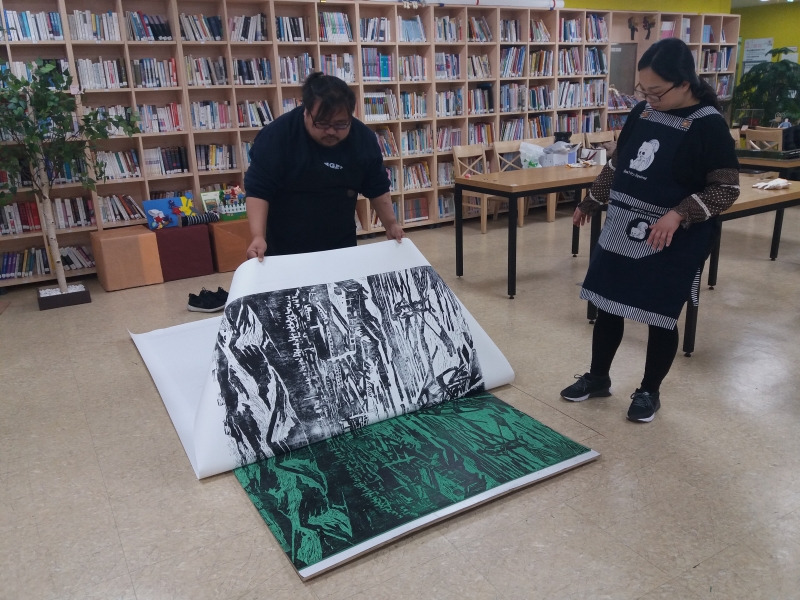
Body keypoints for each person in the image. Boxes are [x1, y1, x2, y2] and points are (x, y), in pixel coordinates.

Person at [561, 38, 740, 423]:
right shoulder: (641, 112)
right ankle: (598, 377)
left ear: (684, 83)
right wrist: (592, 200)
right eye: (643, 90)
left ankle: (648, 392)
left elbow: (726, 188)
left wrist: (678, 213)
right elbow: (618, 163)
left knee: (659, 314)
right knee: (608, 304)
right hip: (623, 225)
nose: (648, 98)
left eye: (656, 92)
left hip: (672, 235)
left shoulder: (709, 124)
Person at [244, 72, 403, 259]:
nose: (331, 131)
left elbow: (377, 186)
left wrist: (391, 224)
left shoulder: (363, 140)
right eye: (322, 123)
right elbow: (259, 190)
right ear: (306, 111)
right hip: (284, 246)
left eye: (341, 124)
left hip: (340, 242)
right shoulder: (277, 137)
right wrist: (257, 237)